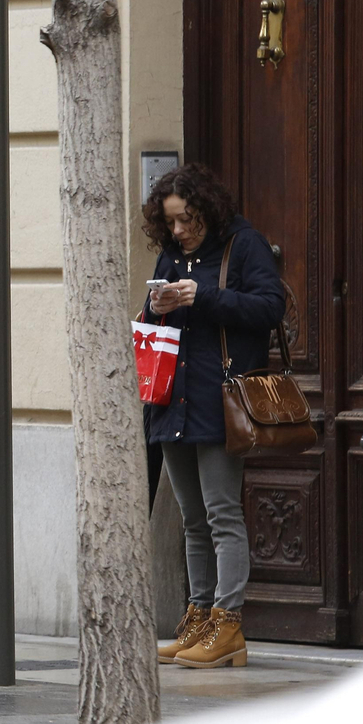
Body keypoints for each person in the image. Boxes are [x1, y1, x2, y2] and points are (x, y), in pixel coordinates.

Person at [141, 163, 285, 669]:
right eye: (172, 222)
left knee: (222, 513)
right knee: (191, 518)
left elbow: (271, 308)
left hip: (219, 397)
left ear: (207, 209)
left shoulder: (243, 245)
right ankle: (198, 619)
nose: (179, 230)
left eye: (188, 220)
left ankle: (229, 625)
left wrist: (206, 296)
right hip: (173, 398)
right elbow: (157, 319)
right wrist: (156, 303)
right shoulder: (171, 254)